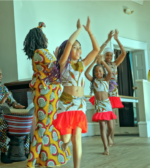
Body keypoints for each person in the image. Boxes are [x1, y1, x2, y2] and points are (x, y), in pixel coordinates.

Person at [52, 17, 100, 168]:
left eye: (80, 48)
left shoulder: (82, 64)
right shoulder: (62, 64)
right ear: (68, 50)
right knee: (66, 139)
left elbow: (96, 50)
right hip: (66, 104)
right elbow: (70, 43)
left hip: (80, 105)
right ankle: (64, 145)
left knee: (77, 137)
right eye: (76, 47)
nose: (79, 50)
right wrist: (79, 29)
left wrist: (89, 31)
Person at [23, 22, 71, 167]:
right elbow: (55, 68)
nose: (46, 38)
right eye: (43, 35)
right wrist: (58, 56)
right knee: (43, 126)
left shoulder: (40, 52)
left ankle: (46, 157)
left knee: (48, 125)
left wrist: (56, 57)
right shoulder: (40, 52)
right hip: (46, 93)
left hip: (48, 92)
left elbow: (53, 69)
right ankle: (31, 162)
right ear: (39, 38)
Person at [97, 30, 126, 145]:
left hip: (113, 91)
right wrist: (108, 39)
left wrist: (117, 39)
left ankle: (111, 138)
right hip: (103, 91)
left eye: (110, 55)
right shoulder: (100, 63)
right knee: (106, 116)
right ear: (104, 56)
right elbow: (98, 51)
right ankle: (107, 138)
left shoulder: (114, 64)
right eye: (107, 55)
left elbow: (123, 53)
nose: (109, 57)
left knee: (113, 116)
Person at [85, 55, 117, 155]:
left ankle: (108, 137)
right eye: (96, 71)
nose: (98, 73)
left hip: (107, 105)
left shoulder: (106, 79)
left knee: (111, 128)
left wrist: (102, 62)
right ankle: (105, 148)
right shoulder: (93, 81)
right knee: (103, 127)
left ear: (103, 72)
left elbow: (110, 72)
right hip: (99, 106)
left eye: (100, 71)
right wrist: (94, 61)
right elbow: (86, 73)